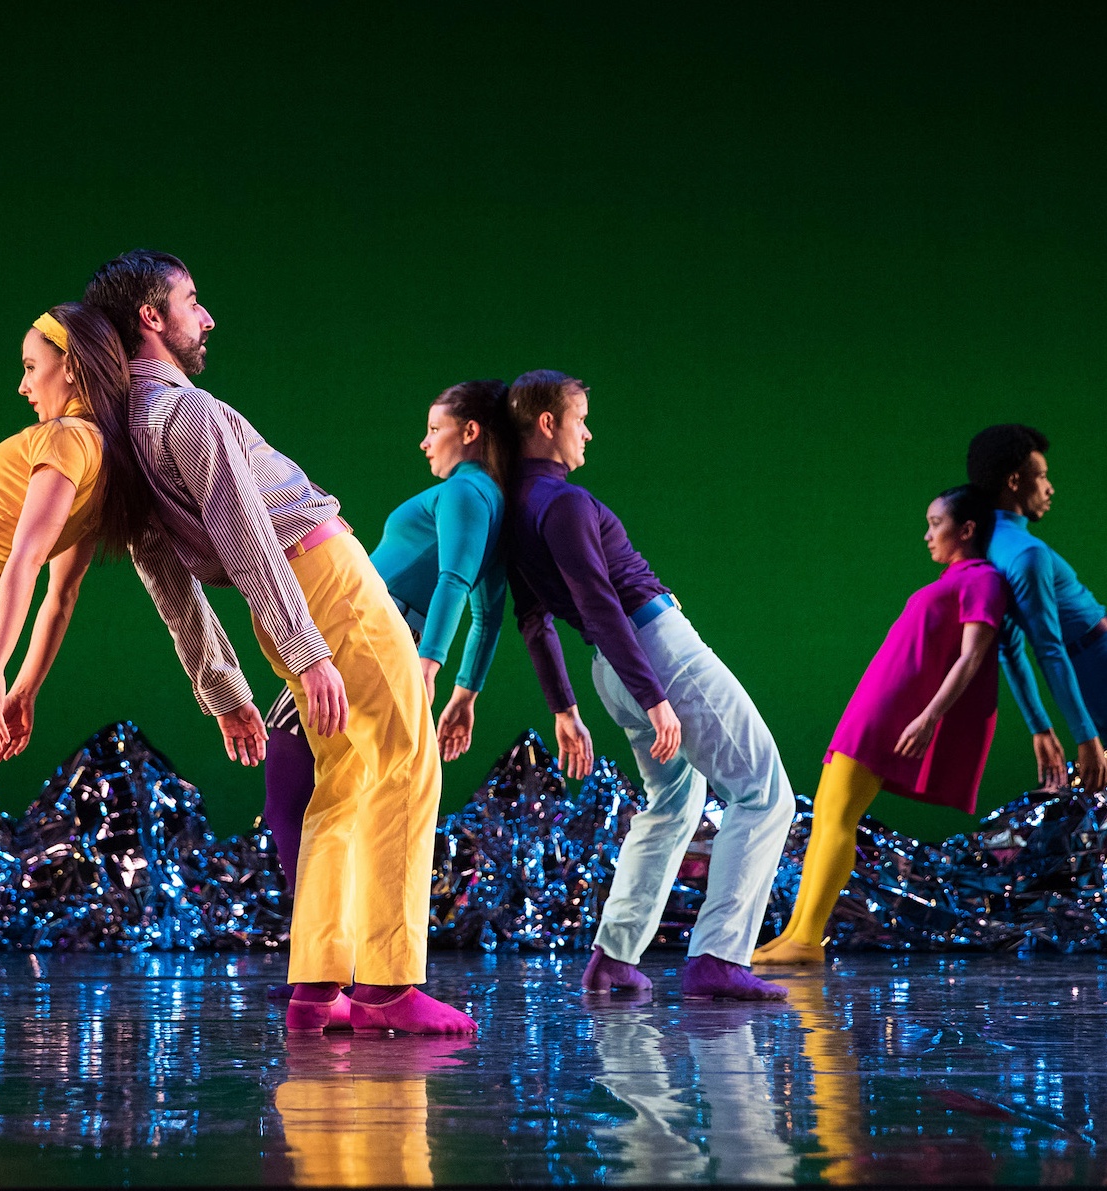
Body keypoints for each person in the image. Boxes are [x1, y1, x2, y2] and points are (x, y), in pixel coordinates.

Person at [84, 250, 474, 1035]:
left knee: (346, 777)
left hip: (291, 601)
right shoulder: (183, 413)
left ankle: (317, 984)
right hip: (322, 583)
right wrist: (307, 647)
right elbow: (246, 530)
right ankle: (388, 986)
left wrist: (223, 684)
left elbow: (168, 579)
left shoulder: (128, 434)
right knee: (403, 762)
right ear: (151, 319)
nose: (208, 317)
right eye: (193, 301)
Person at [505, 370, 795, 1001]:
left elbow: (534, 620)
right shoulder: (564, 502)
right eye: (580, 418)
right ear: (548, 424)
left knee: (673, 805)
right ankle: (719, 956)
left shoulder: (514, 509)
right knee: (765, 793)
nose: (588, 431)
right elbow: (599, 601)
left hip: (613, 667)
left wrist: (565, 708)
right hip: (653, 653)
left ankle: (614, 958)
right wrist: (657, 696)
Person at [0, 303, 142, 1033]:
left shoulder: (69, 437)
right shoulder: (103, 460)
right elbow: (61, 596)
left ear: (70, 367)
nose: (22, 385)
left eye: (30, 366)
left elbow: (27, 560)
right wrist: (24, 688)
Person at [263, 380, 512, 890]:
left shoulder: (466, 489)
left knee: (291, 790)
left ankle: (321, 938)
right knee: (344, 791)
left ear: (470, 432)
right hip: (382, 635)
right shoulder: (494, 502)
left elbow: (454, 582)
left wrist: (428, 664)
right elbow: (488, 613)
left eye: (434, 430)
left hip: (361, 633)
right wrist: (466, 693)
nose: (425, 443)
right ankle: (336, 939)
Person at [753, 485, 1006, 965]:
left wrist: (930, 715)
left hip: (895, 711)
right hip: (874, 704)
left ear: (967, 529)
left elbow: (972, 658)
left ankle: (807, 939)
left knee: (841, 816)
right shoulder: (955, 578)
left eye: (937, 523)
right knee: (826, 815)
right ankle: (796, 934)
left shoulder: (983, 579)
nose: (928, 534)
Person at [966, 424, 1107, 794]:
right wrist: (1085, 736)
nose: (1049, 488)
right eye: (1041, 476)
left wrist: (1040, 726)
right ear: (1015, 481)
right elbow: (1047, 650)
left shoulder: (993, 545)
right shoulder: (1025, 553)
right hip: (1096, 660)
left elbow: (1010, 649)